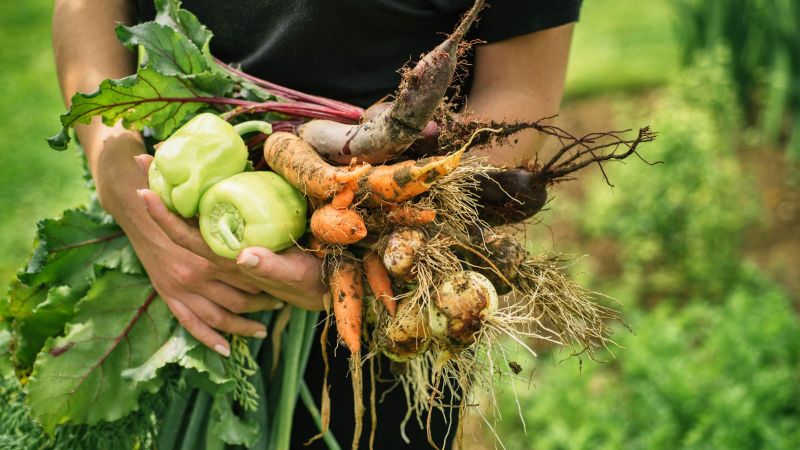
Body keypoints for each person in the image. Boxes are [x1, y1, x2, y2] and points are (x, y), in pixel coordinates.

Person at [52, 1, 580, 447]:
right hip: (168, 241)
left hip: (392, 289)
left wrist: (368, 237)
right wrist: (115, 170)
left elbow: (521, 88)